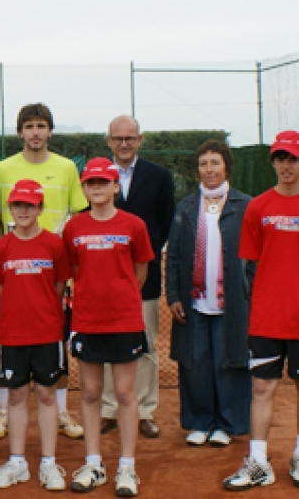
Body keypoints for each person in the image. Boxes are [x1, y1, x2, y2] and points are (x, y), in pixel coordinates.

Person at [0, 103, 87, 442]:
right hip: (13, 271)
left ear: (49, 131)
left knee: (55, 344)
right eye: (28, 126)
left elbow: (76, 213)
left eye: (41, 125)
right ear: (20, 132)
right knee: (8, 341)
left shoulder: (67, 169)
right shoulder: (1, 170)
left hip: (53, 270)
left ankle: (59, 410)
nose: (35, 132)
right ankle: (3, 409)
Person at [63, 157, 153, 497]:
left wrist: (120, 297)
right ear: (84, 188)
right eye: (91, 182)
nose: (97, 187)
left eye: (104, 181)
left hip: (124, 320)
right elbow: (73, 269)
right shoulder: (74, 228)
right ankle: (93, 462)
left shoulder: (134, 225)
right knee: (89, 392)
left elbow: (140, 271)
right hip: (87, 321)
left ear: (116, 186)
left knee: (127, 394)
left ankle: (127, 467)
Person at [222, 130, 299, 491]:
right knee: (262, 388)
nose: (286, 165)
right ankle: (258, 462)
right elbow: (249, 265)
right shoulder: (259, 206)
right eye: (281, 158)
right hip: (267, 317)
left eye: (292, 158)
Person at [0, 180, 71, 491]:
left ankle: (48, 463)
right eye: (17, 205)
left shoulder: (54, 245)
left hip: (47, 332)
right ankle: (17, 461)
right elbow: (0, 292)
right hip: (12, 335)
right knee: (17, 396)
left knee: (47, 396)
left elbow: (59, 287)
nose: (23, 210)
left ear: (40, 208)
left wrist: (43, 313)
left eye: (29, 205)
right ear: (11, 208)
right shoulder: (2, 247)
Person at [166, 140, 251, 448]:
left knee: (228, 362)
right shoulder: (186, 207)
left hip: (233, 304)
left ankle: (227, 424)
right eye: (203, 163)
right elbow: (173, 255)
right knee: (196, 364)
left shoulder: (245, 205)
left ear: (226, 166)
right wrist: (174, 295)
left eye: (215, 162)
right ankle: (200, 422)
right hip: (194, 302)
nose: (209, 169)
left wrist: (247, 292)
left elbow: (255, 257)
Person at [101, 115, 175, 439]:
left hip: (145, 277)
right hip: (103, 278)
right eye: (118, 138)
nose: (124, 144)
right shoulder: (96, 176)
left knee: (145, 344)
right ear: (109, 142)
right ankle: (108, 411)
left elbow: (165, 222)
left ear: (140, 140)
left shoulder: (159, 177)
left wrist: (142, 260)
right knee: (103, 344)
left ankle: (144, 411)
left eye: (130, 138)